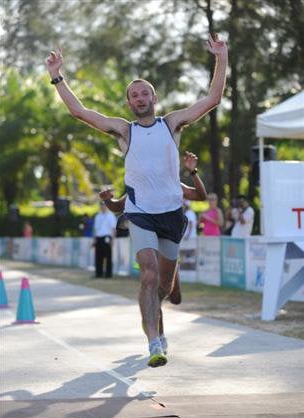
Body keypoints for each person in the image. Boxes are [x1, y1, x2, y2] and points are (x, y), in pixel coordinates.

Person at [46, 35, 228, 367]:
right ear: (129, 103)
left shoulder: (171, 124)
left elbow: (213, 99)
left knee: (166, 289)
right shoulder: (124, 131)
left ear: (154, 98)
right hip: (140, 213)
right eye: (134, 95)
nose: (140, 98)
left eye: (145, 93)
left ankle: (164, 302)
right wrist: (58, 76)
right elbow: (79, 111)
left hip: (172, 215)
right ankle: (154, 343)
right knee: (147, 275)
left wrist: (221, 57)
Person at [99, 151, 206, 316]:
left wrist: (193, 172)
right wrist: (107, 200)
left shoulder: (173, 184)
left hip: (168, 243)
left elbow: (201, 196)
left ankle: (173, 268)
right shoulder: (139, 188)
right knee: (153, 292)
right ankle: (157, 336)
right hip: (150, 247)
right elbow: (118, 206)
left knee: (175, 298)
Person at [93, 203, 117, 278]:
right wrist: (94, 239)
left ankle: (108, 274)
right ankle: (98, 273)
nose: (102, 207)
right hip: (99, 237)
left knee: (108, 256)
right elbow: (96, 229)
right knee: (98, 256)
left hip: (107, 237)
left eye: (104, 205)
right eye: (101, 205)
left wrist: (112, 239)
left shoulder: (111, 216)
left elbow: (113, 229)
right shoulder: (97, 216)